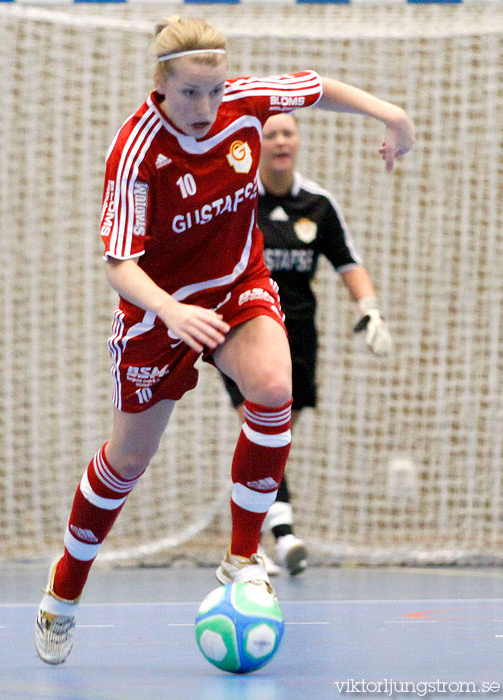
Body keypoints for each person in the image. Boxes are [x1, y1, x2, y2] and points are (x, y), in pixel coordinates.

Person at [34, 15, 415, 664]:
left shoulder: (243, 104)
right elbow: (118, 263)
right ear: (160, 85)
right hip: (158, 314)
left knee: (272, 387)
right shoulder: (136, 151)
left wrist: (392, 116)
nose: (206, 107)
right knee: (127, 462)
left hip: (238, 284)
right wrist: (170, 312)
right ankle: (64, 590)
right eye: (189, 93)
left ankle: (242, 555)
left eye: (214, 90)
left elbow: (316, 86)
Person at [220, 112, 393, 577]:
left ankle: (253, 538)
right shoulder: (238, 203)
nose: (280, 141)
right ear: (257, 144)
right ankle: (282, 535)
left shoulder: (318, 204)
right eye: (270, 133)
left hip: (298, 335)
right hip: (244, 329)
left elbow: (347, 262)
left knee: (277, 439)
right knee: (258, 421)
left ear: (297, 142)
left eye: (287, 133)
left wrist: (370, 308)